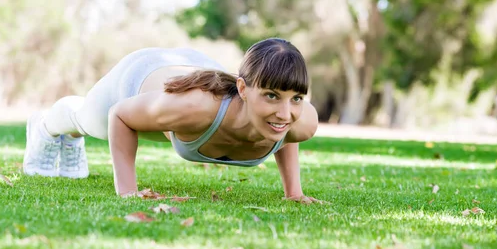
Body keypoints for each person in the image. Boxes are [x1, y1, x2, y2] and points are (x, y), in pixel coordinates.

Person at [23, 38, 322, 203]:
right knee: (88, 121)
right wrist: (128, 191)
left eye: (296, 97)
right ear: (243, 89)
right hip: (144, 76)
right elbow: (121, 116)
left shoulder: (301, 120)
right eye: (271, 96)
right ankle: (44, 126)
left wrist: (293, 193)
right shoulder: (196, 107)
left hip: (195, 71)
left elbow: (285, 132)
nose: (285, 113)